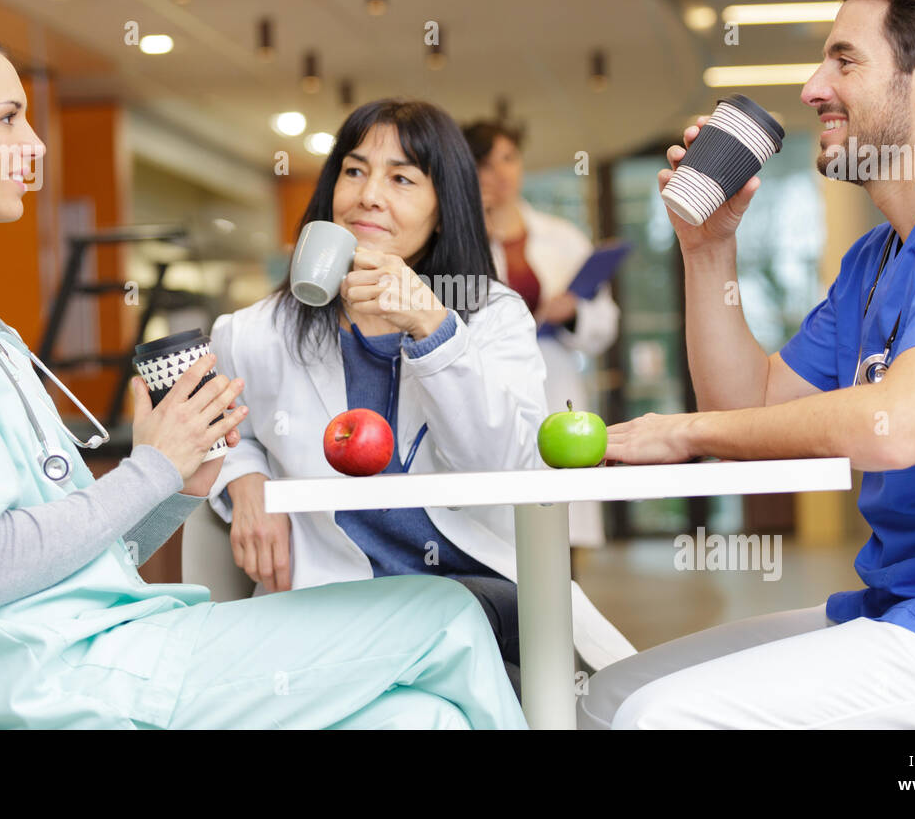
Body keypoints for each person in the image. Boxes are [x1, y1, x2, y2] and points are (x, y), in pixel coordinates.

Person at [0, 25, 527, 729]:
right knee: (449, 616)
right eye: (8, 119)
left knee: (419, 719)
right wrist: (152, 466)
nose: (34, 144)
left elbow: (84, 555)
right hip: (59, 672)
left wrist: (182, 481)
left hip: (113, 638)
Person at [580, 0, 915, 729]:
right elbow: (745, 408)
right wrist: (707, 247)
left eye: (843, 60)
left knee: (664, 718)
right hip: (904, 610)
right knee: (608, 697)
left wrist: (680, 432)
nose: (814, 88)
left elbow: (901, 424)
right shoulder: (875, 261)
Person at [205, 99, 636, 693]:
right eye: (354, 171)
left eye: (402, 178)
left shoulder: (491, 317)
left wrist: (434, 330)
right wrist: (245, 482)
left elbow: (504, 465)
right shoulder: (259, 329)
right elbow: (217, 427)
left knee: (441, 627)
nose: (369, 195)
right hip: (331, 597)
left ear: (444, 208)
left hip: (476, 588)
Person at [461, 120, 620, 558]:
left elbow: (605, 325)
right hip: (486, 388)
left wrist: (573, 315)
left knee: (561, 531)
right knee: (497, 532)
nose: (500, 173)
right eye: (486, 164)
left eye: (509, 159)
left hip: (554, 386)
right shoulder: (453, 240)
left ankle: (563, 618)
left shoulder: (561, 236)